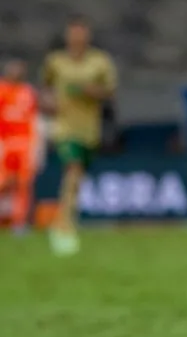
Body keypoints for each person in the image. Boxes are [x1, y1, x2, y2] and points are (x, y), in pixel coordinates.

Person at [41, 17, 117, 255]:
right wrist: (48, 102)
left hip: (89, 130)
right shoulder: (55, 62)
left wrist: (92, 91)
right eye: (73, 33)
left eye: (81, 33)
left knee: (77, 177)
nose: (77, 38)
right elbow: (45, 89)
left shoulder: (100, 62)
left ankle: (67, 218)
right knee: (73, 169)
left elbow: (110, 91)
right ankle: (64, 225)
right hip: (64, 127)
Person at [0, 59, 40, 235]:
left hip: (24, 143)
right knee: (3, 181)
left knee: (23, 184)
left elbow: (33, 119)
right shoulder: (1, 90)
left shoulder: (28, 92)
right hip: (5, 143)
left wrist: (35, 146)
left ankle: (19, 222)